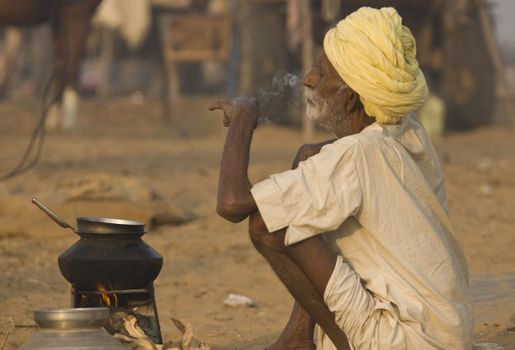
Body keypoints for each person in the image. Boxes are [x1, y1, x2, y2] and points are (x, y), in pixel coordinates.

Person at [209, 7, 473, 350]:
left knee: (269, 222)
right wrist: (306, 157)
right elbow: (324, 161)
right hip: (446, 330)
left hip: (405, 340)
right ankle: (299, 335)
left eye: (321, 71)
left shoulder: (355, 156)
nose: (308, 78)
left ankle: (323, 342)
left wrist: (242, 120)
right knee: (308, 161)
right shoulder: (407, 132)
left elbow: (231, 204)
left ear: (349, 93)